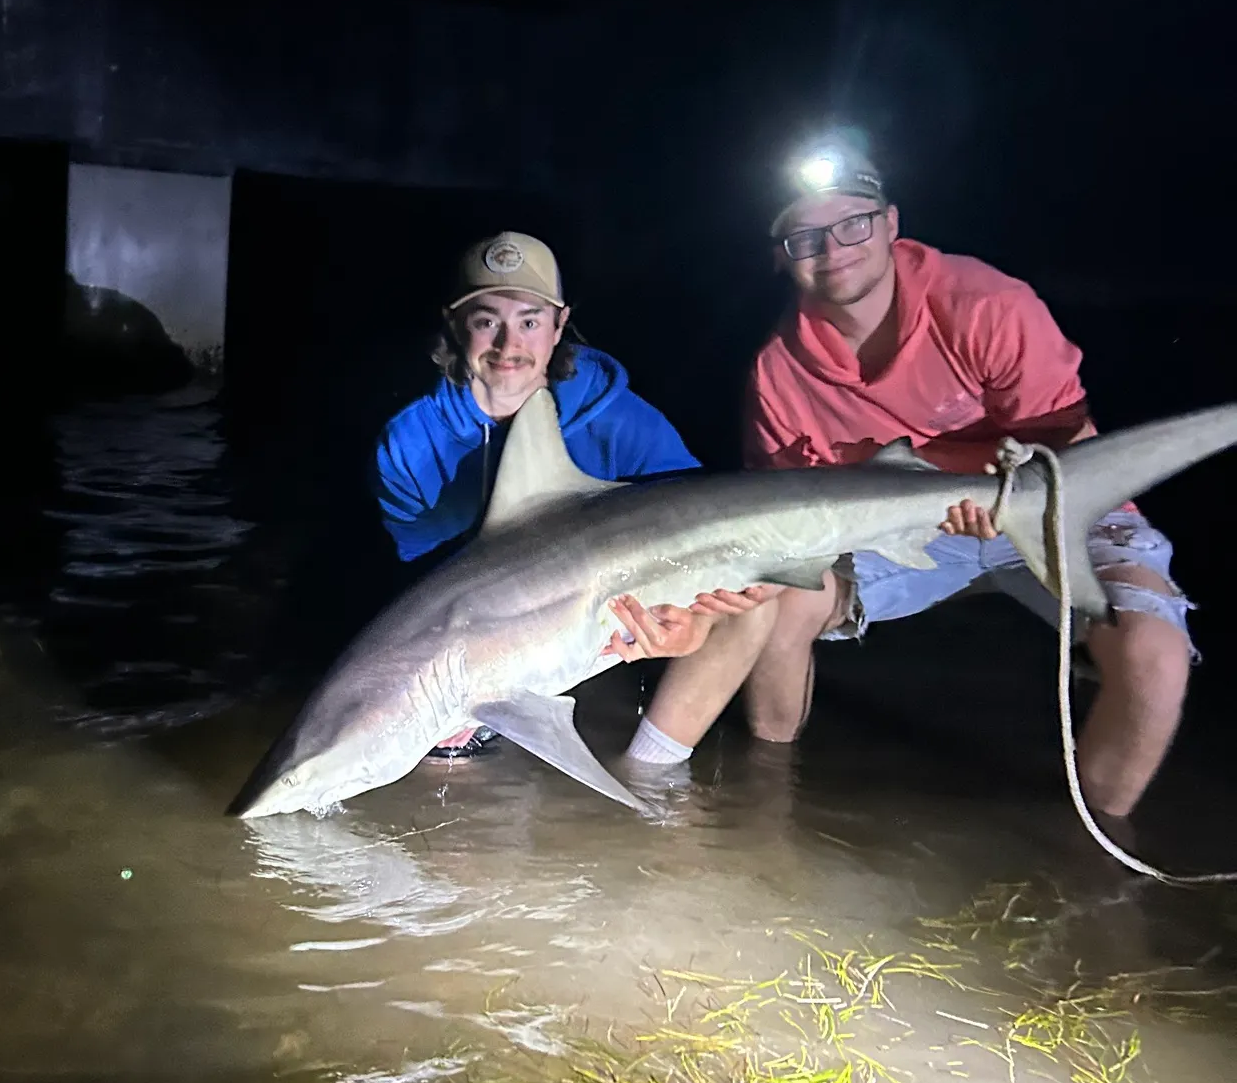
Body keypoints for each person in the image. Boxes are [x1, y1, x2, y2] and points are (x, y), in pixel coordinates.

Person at [606, 136, 1196, 822]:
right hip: (899, 532)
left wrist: (988, 490)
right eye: (805, 238)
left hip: (1047, 505)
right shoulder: (777, 373)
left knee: (1153, 654)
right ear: (781, 257)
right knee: (785, 599)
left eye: (853, 224)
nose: (833, 249)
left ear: (891, 224)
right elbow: (787, 524)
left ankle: (1098, 849)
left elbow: (1063, 444)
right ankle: (770, 800)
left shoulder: (985, 305)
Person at [373, 230, 700, 754]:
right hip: (503, 636)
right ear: (455, 324)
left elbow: (703, 528)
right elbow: (425, 585)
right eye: (487, 322)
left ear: (559, 324)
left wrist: (695, 625)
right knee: (442, 754)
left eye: (529, 321)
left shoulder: (621, 423)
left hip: (620, 629)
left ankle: (656, 770)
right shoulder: (410, 444)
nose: (509, 346)